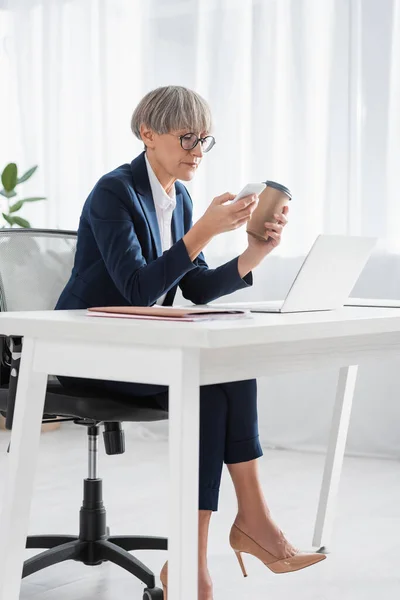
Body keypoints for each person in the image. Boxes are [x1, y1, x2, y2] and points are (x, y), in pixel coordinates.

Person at [55, 85, 325, 599]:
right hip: (87, 350)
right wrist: (202, 231)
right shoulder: (115, 192)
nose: (197, 151)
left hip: (138, 350)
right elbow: (138, 286)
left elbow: (195, 286)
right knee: (210, 384)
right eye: (187, 138)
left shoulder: (179, 197)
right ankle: (236, 537)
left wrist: (254, 252)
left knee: (225, 369)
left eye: (205, 139)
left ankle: (215, 546)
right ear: (147, 134)